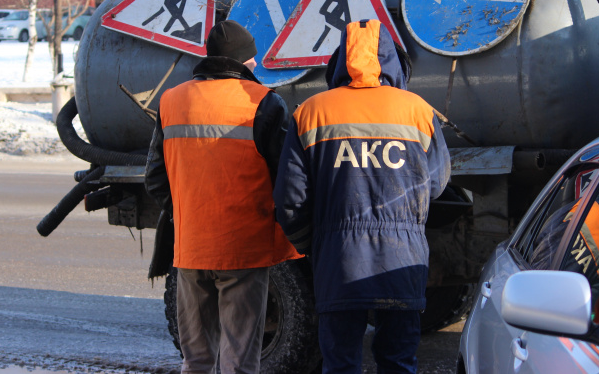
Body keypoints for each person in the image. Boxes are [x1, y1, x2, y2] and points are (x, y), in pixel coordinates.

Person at [273, 19, 451, 374]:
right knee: (398, 362)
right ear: (395, 64)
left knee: (340, 364)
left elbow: (290, 198)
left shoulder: (311, 112)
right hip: (402, 257)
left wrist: (314, 244)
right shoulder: (418, 110)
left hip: (338, 261)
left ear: (339, 62)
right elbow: (436, 183)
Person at [145, 20, 300, 374]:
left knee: (196, 359)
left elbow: (155, 177)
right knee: (239, 361)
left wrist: (186, 213)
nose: (257, 64)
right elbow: (287, 177)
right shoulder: (263, 102)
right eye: (252, 59)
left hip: (191, 246)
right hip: (243, 247)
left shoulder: (171, 100)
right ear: (241, 61)